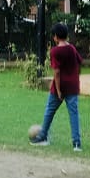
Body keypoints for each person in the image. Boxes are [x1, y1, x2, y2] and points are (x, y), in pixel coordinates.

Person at [30, 22, 83, 151]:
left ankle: (42, 136)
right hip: (72, 86)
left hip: (60, 86)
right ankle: (76, 143)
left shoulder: (55, 51)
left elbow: (57, 72)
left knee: (50, 110)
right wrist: (75, 77)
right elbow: (79, 64)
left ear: (55, 37)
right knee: (74, 114)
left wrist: (59, 91)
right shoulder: (72, 48)